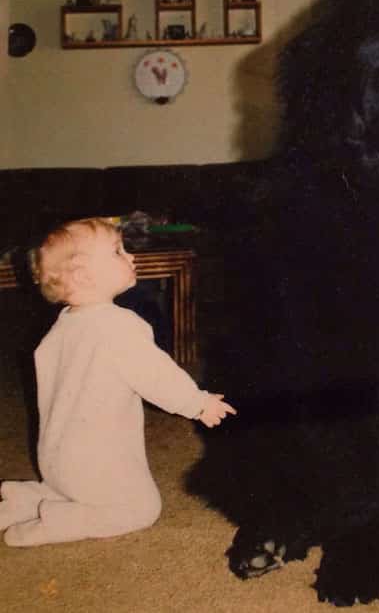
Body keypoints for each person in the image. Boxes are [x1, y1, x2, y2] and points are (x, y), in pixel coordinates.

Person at [0, 217, 236, 547]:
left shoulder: (63, 326)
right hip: (97, 459)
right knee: (139, 508)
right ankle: (56, 520)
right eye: (117, 252)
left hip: (55, 453)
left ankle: (24, 501)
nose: (131, 256)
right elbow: (156, 375)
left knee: (71, 488)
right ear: (83, 276)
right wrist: (197, 403)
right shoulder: (118, 326)